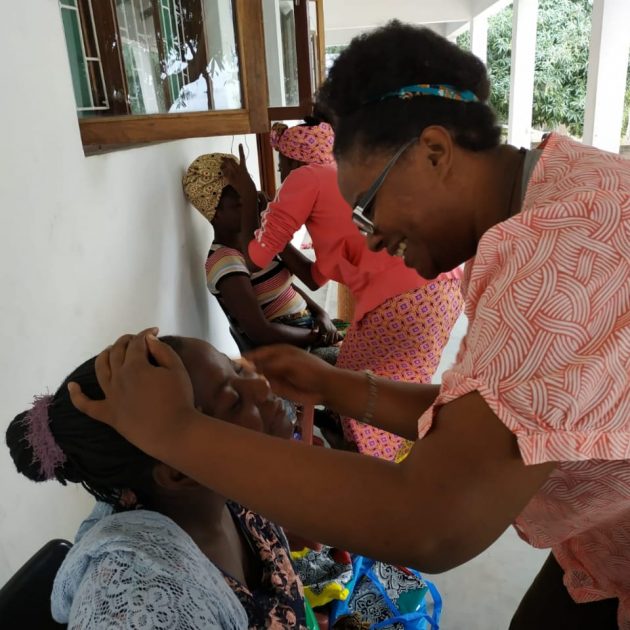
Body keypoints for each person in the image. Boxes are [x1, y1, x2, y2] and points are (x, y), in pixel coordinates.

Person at [69, 20, 629, 630]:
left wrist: (175, 432)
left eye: (366, 206)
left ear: (435, 153)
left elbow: (430, 521)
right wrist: (335, 386)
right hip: (602, 546)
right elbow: (483, 412)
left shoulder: (558, 259)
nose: (373, 238)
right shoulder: (556, 192)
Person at [6, 336, 307, 628]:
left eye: (236, 368)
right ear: (179, 473)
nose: (261, 384)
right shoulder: (143, 604)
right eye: (233, 402)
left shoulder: (228, 487)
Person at [222, 120, 463, 461]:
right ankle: (384, 465)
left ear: (293, 162)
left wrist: (249, 196)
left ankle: (374, 480)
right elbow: (314, 276)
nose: (281, 175)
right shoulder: (341, 175)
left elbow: (255, 256)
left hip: (405, 301)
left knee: (365, 399)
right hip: (440, 291)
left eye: (280, 166)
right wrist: (267, 218)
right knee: (381, 393)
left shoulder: (305, 178)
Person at [183, 152, 341, 361]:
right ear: (215, 213)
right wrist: (315, 337)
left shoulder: (257, 246)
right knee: (366, 366)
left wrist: (322, 314)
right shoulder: (225, 261)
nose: (251, 207)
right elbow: (260, 332)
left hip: (308, 329)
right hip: (291, 349)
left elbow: (288, 287)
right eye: (240, 204)